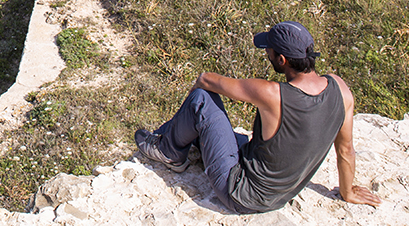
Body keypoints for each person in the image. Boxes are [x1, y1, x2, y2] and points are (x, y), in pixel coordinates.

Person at [134, 21, 381, 213]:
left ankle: (169, 152)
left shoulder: (273, 94)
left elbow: (206, 80)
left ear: (282, 60)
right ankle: (176, 138)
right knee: (217, 130)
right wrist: (347, 191)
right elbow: (346, 150)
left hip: (239, 193)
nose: (267, 54)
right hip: (281, 195)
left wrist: (189, 105)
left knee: (201, 99)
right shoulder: (340, 88)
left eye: (269, 51)